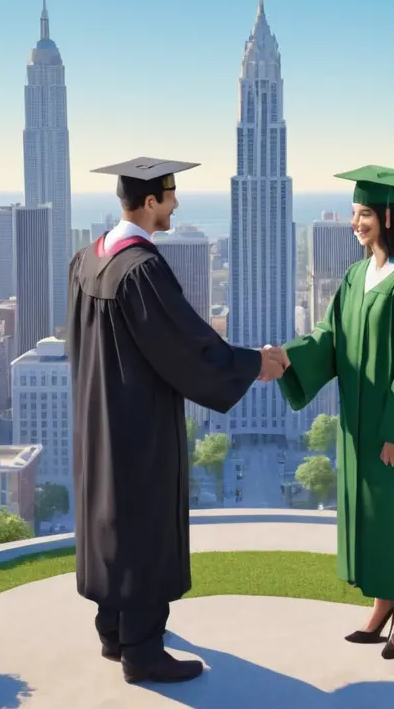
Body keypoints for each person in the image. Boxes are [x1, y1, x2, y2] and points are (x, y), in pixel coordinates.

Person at [67, 157, 287, 684]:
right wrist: (255, 363)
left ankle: (113, 633)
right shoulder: (140, 269)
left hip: (97, 417)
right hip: (138, 421)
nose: (176, 204)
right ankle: (142, 653)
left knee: (110, 520)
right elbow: (186, 346)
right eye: (169, 196)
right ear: (149, 202)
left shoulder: (88, 259)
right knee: (144, 524)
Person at [272, 164, 394, 660]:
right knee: (371, 517)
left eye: (364, 213)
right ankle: (383, 601)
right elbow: (330, 337)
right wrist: (287, 357)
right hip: (358, 428)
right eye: (353, 213)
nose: (355, 223)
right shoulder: (356, 277)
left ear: (388, 216)